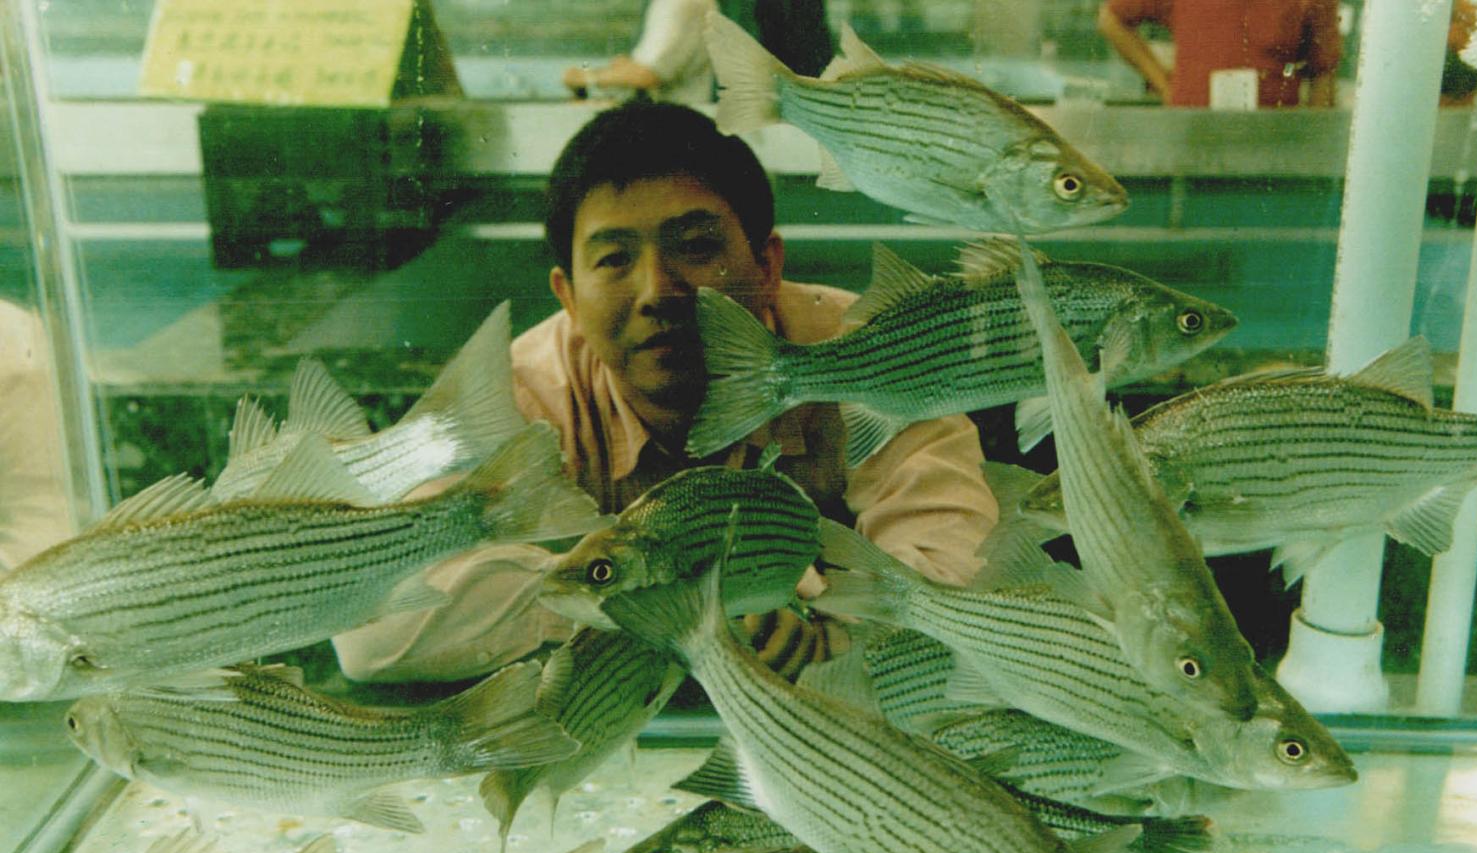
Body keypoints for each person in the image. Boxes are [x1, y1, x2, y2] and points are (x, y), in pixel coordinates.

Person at [334, 103, 997, 683]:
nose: (657, 292)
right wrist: (668, 608)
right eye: (614, 259)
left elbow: (963, 595)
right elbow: (370, 628)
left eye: (696, 246)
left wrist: (828, 629)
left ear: (767, 266)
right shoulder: (520, 397)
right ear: (566, 295)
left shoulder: (875, 361)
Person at [1097, 0, 1341, 109]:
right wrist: (1163, 83)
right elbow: (1112, 19)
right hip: (1190, 131)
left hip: (1276, 140)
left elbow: (1323, 70)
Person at [563, 0, 718, 106]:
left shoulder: (677, 4)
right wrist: (625, 68)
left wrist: (586, 78)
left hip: (672, 126)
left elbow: (647, 74)